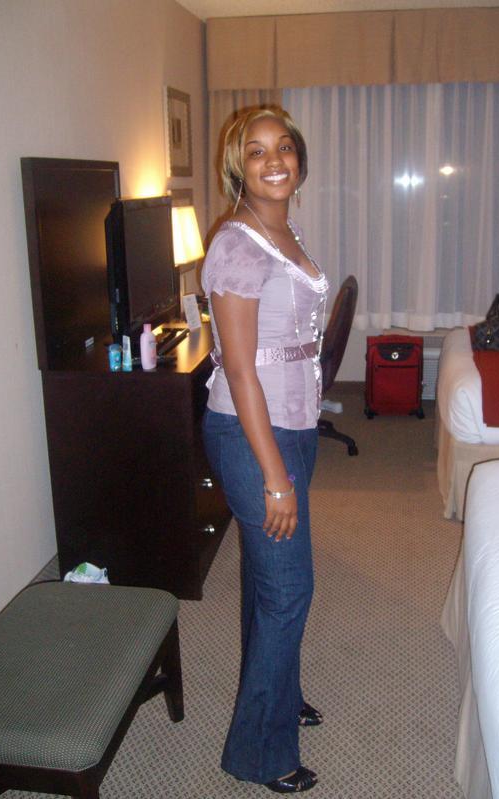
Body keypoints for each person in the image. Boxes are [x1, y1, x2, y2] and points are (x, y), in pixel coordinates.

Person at [201, 106, 329, 793]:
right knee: (289, 590)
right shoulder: (236, 246)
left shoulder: (281, 228)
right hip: (255, 436)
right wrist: (276, 477)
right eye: (256, 151)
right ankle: (259, 750)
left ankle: (281, 694)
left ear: (298, 159)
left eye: (284, 147)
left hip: (294, 425)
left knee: (267, 578)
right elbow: (242, 369)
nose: (274, 160)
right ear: (238, 167)